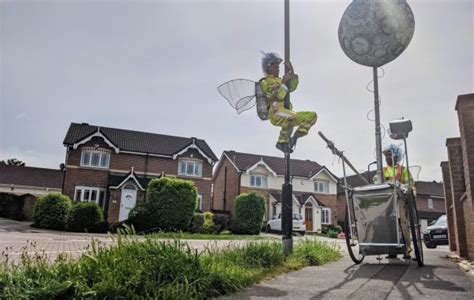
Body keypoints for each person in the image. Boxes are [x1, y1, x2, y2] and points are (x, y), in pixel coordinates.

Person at [259, 52, 317, 153]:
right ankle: (281, 142)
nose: (278, 68)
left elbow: (292, 87)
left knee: (311, 116)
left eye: (278, 66)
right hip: (276, 112)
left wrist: (291, 72)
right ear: (268, 68)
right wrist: (284, 82)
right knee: (291, 116)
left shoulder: (280, 80)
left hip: (287, 112)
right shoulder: (265, 82)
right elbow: (279, 95)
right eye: (275, 66)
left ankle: (293, 139)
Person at [375, 144, 413, 259]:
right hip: (387, 200)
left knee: (402, 223)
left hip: (400, 199)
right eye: (385, 156)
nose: (387, 158)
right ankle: (391, 250)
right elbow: (376, 183)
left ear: (395, 156)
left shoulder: (403, 170)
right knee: (388, 224)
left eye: (389, 155)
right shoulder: (382, 171)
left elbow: (410, 184)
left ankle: (407, 249)